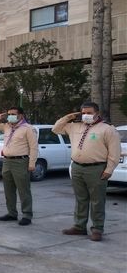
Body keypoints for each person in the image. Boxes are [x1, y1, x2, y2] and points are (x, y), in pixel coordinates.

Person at [52, 102, 121, 241]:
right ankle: (79, 226)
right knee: (81, 199)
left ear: (97, 113)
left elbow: (115, 152)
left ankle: (97, 229)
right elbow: (56, 128)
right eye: (83, 113)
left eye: (89, 113)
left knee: (97, 200)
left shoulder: (107, 129)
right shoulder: (74, 126)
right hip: (77, 167)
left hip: (96, 168)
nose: (86, 115)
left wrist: (109, 169)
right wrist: (70, 116)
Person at [0, 107, 37, 226]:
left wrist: (32, 164)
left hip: (20, 162)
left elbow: (34, 147)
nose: (10, 116)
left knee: (23, 189)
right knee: (8, 189)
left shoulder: (28, 129)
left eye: (13, 114)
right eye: (9, 114)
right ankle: (11, 213)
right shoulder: (7, 126)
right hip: (7, 161)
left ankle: (27, 214)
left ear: (21, 116)